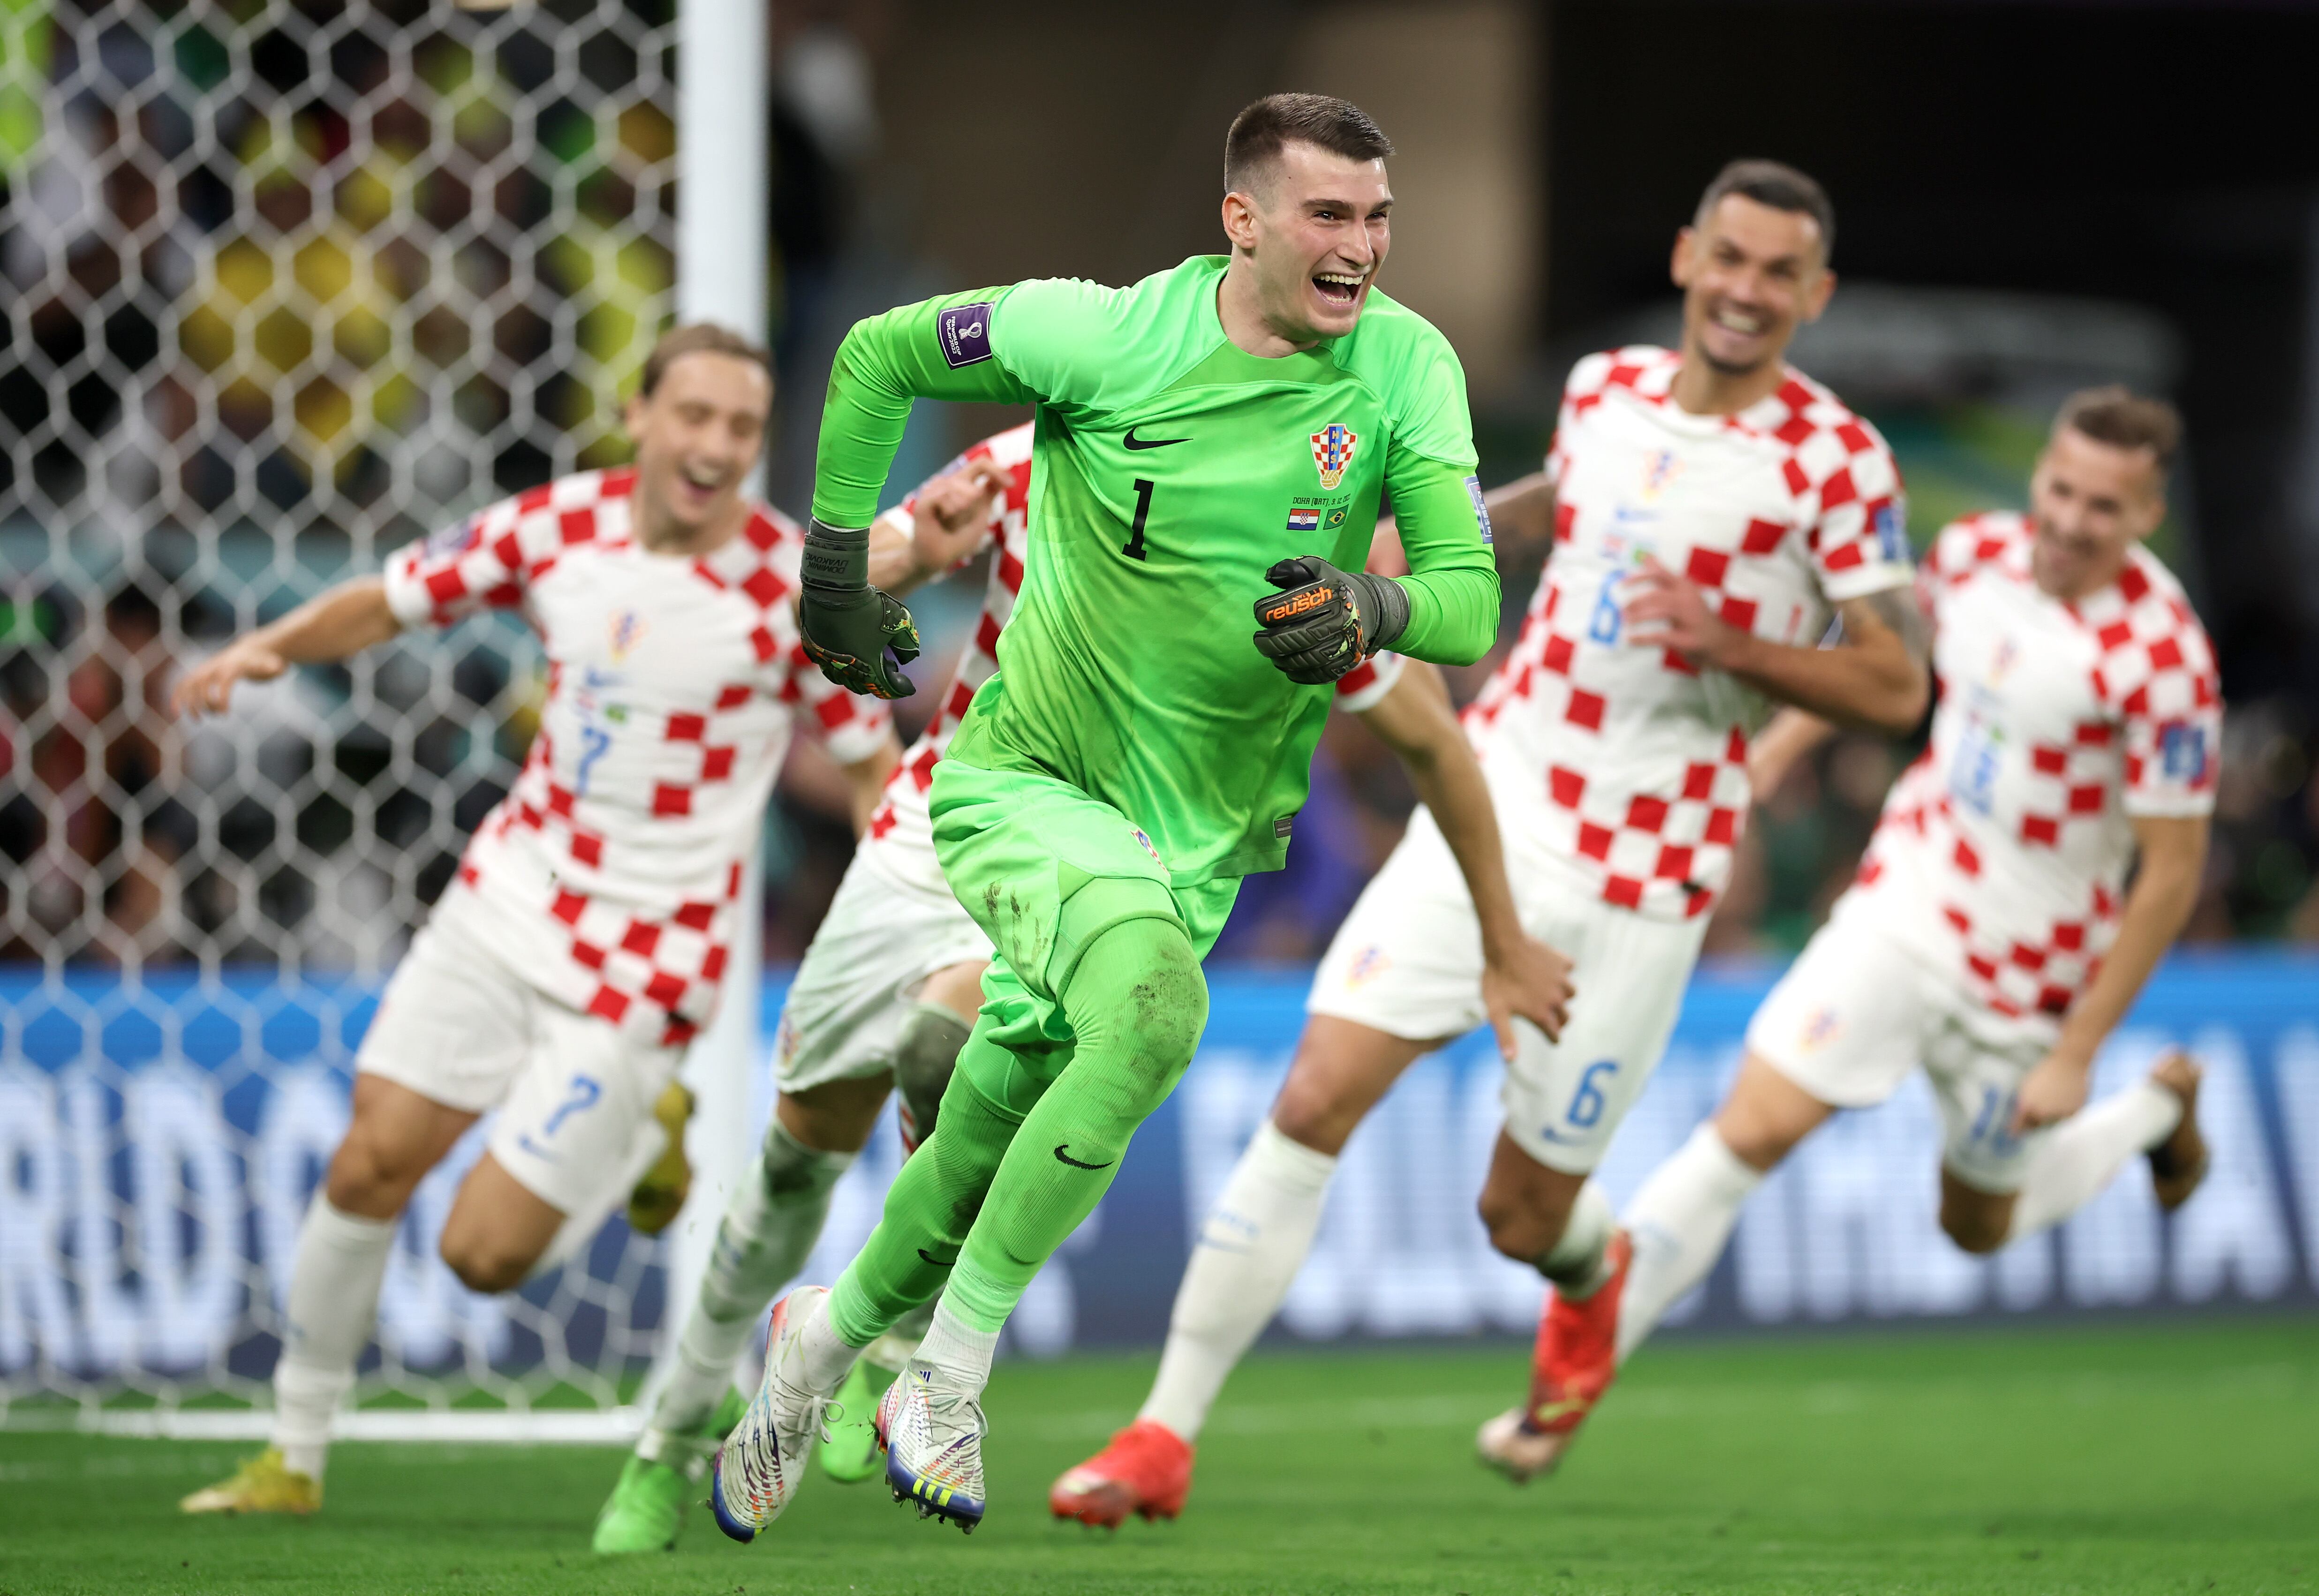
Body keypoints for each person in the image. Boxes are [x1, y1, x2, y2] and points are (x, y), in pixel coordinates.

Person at [1050, 157, 1936, 1521]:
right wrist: (1394, 577)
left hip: (1646, 874)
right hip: (1504, 798)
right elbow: (1541, 511)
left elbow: (1896, 681)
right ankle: (1161, 1437)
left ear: (1811, 294)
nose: (1749, 292)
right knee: (1309, 1101)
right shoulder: (1607, 390)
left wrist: (1732, 642)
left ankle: (1591, 1276)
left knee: (1521, 1216)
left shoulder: (1835, 460)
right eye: (1732, 259)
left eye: (1781, 274)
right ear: (1689, 254)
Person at [709, 92, 1505, 1540]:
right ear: (1242, 220)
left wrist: (1375, 604)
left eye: (1378, 219)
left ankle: (821, 1343)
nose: (1362, 249)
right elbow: (884, 353)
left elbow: (1466, 594)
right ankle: (949, 1372)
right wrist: (836, 565)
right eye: (1330, 216)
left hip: (1200, 833)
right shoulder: (1101, 333)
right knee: (1152, 1011)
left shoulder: (1408, 370)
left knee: (981, 1135)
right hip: (1027, 782)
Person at [593, 425, 1573, 1553]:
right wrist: (908, 556)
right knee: (804, 1145)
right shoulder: (1064, 429)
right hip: (950, 810)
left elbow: (1436, 741)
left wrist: (1504, 938)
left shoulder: (1292, 577)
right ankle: (716, 1405)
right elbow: (874, 558)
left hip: (1105, 867)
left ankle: (921, 1356)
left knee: (983, 1047)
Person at [172, 325, 901, 1515]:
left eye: (741, 427)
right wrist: (268, 646)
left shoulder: (792, 588)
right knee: (370, 1157)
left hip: (648, 959)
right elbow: (390, 599)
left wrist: (909, 911)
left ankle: (644, 1128)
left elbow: (872, 768)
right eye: (696, 416)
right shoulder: (557, 526)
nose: (716, 444)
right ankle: (291, 1457)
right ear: (640, 415)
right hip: (510, 897)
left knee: (483, 1257)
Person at [1527, 388, 2219, 1481]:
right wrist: (1777, 748)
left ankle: (2154, 1113)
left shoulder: (2164, 658)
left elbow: (2171, 873)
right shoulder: (1976, 553)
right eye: (2062, 489)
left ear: (2145, 512)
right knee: (1750, 1127)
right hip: (1911, 891)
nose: (2072, 520)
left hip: (2031, 966)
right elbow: (1884, 669)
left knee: (1976, 1228)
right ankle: (1564, 1391)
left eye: (2104, 505)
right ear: (2039, 477)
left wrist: (2081, 1052)